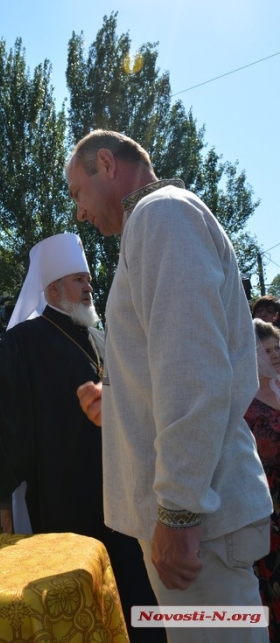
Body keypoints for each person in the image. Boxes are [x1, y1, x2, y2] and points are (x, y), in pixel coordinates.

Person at [66, 129, 272, 643]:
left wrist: (179, 512)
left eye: (76, 192)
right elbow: (177, 368)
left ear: (108, 165)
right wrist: (118, 405)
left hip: (199, 527)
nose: (79, 213)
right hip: (201, 520)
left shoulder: (162, 216)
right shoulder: (159, 221)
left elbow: (195, 373)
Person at [0, 232, 164, 643]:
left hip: (121, 495)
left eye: (88, 279)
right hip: (66, 500)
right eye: (79, 279)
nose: (89, 286)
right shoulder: (25, 339)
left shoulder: (98, 337)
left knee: (136, 599)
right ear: (54, 288)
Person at [245, 319, 280, 641]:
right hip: (268, 509)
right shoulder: (243, 397)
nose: (275, 355)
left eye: (277, 347)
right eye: (266, 350)